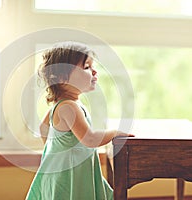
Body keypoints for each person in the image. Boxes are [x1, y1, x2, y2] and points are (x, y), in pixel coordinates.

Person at [26, 42, 134, 200]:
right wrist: (115, 133)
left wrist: (55, 151)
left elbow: (43, 127)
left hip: (64, 169)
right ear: (63, 77)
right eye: (87, 67)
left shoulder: (64, 105)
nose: (95, 71)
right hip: (68, 175)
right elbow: (89, 139)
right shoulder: (69, 107)